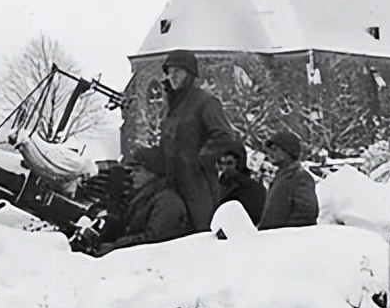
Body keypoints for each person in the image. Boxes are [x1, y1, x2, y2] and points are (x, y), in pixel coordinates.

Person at [157, 49, 239, 232]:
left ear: (190, 73)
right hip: (171, 182)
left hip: (198, 184)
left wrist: (199, 160)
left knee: (202, 233)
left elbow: (224, 135)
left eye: (178, 71)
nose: (173, 76)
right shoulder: (170, 107)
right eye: (170, 71)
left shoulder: (205, 101)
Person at [97, 146, 192, 255]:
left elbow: (154, 240)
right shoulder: (145, 197)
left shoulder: (167, 202)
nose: (132, 175)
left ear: (153, 173)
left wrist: (115, 247)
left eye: (138, 171)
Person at [258, 130, 319, 231]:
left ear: (288, 152)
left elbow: (307, 215)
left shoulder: (300, 178)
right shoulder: (280, 177)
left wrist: (284, 233)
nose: (270, 153)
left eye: (274, 149)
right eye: (269, 149)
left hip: (288, 241)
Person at [217, 140, 266, 226]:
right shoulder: (216, 186)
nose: (225, 168)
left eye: (229, 163)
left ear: (239, 163)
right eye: (222, 163)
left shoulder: (254, 189)